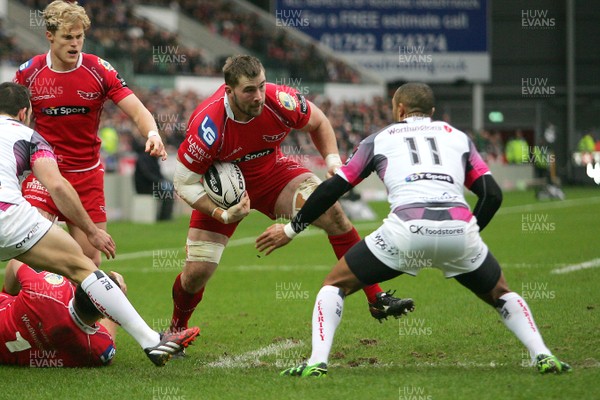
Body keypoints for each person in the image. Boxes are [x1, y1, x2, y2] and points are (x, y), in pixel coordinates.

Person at [256, 82, 571, 376]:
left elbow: (330, 191)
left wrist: (291, 230)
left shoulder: (380, 139)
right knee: (501, 293)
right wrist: (471, 233)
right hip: (459, 233)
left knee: (334, 285)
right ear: (432, 112)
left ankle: (317, 363)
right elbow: (492, 194)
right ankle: (543, 354)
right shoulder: (458, 138)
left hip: (405, 233)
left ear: (399, 109)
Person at [170, 55, 413, 334]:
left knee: (334, 215)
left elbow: (319, 121)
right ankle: (176, 331)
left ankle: (376, 298)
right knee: (196, 275)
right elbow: (184, 183)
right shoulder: (208, 125)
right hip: (224, 195)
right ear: (229, 91)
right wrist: (220, 213)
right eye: (249, 90)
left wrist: (333, 161)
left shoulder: (280, 100)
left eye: (261, 86)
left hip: (274, 175)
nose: (259, 96)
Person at [0, 82, 198, 366]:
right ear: (23, 113)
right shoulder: (29, 136)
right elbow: (57, 186)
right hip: (8, 215)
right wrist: (91, 231)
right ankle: (151, 341)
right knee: (83, 268)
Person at [12, 0, 166, 268]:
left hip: (86, 176)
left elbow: (138, 111)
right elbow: (10, 121)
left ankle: (74, 309)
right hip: (46, 173)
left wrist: (153, 133)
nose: (74, 44)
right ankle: (9, 304)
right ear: (49, 36)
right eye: (67, 37)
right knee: (29, 250)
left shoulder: (99, 70)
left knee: (88, 262)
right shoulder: (30, 73)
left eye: (79, 36)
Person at [0, 263, 125, 367]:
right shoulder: (95, 348)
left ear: (79, 286)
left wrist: (9, 295)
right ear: (104, 314)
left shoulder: (50, 289)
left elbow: (16, 262)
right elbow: (108, 351)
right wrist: (118, 305)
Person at [133, 137, 175, 221]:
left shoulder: (152, 158)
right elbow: (147, 175)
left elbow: (158, 174)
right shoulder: (143, 158)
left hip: (153, 185)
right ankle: (164, 218)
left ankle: (166, 216)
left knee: (169, 190)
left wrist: (166, 181)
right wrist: (161, 181)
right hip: (145, 187)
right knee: (167, 192)